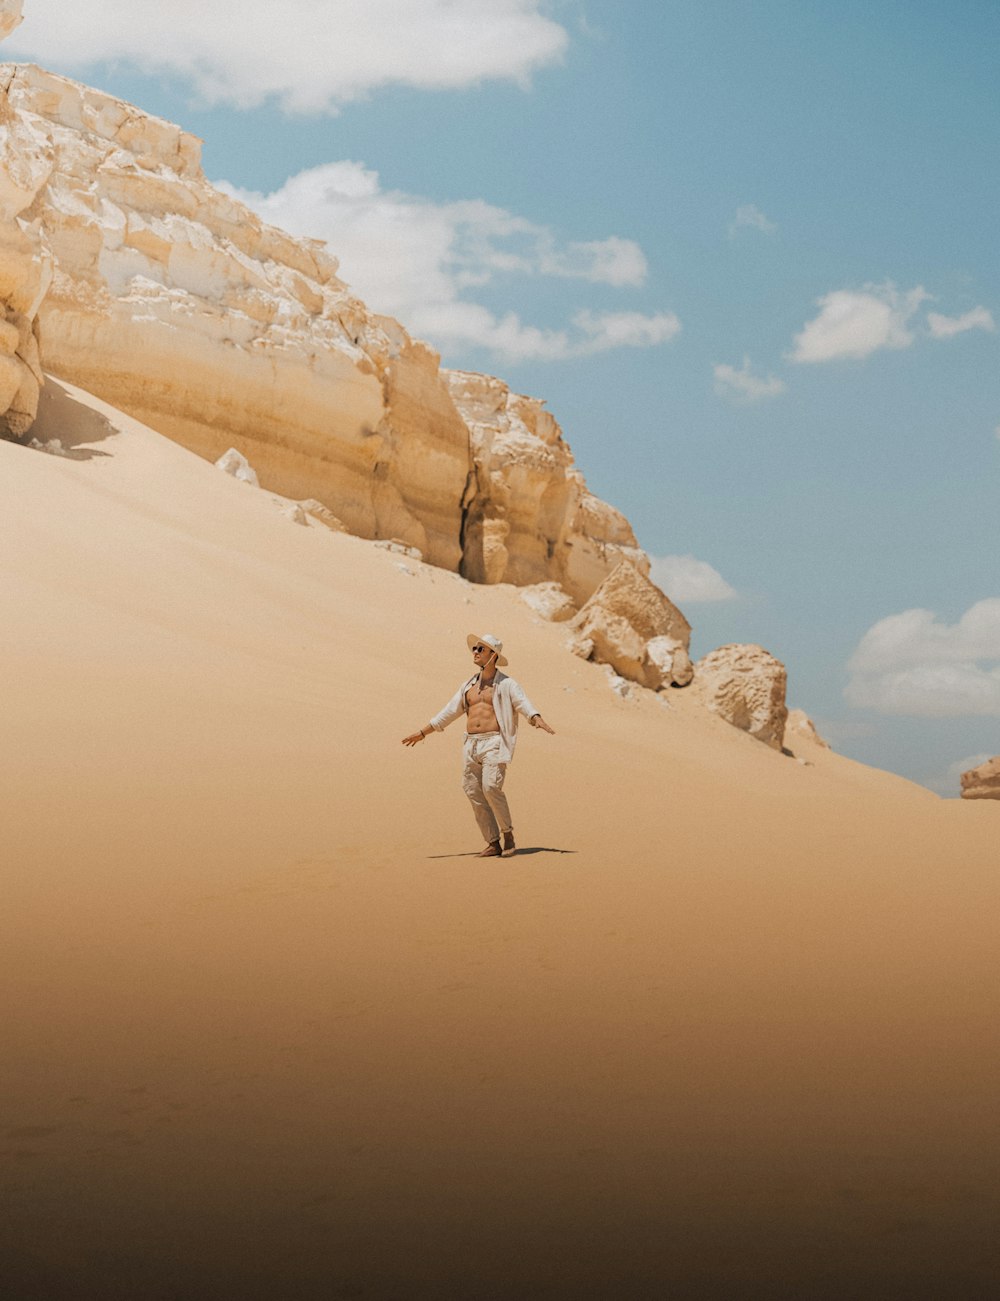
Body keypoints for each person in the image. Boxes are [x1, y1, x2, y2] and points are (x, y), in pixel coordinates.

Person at [402, 633, 555, 857]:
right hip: (471, 744)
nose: (475, 652)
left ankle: (508, 834)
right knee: (473, 790)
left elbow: (522, 703)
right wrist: (423, 732)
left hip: (494, 742)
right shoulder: (468, 686)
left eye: (480, 649)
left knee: (491, 787)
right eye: (474, 648)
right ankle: (493, 842)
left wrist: (535, 717)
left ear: (493, 655)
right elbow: (450, 711)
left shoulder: (507, 684)